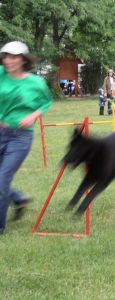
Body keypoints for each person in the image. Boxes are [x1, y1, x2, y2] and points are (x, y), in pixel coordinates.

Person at [0, 41, 52, 235]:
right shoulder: (0, 75)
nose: (8, 61)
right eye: (6, 56)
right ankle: (18, 198)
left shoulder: (35, 83)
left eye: (13, 57)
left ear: (23, 60)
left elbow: (46, 102)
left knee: (2, 179)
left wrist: (33, 115)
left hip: (20, 138)